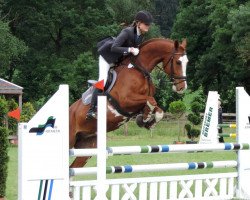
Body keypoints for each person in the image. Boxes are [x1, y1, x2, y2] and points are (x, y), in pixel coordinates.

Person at [86, 10, 153, 119]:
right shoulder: (127, 32)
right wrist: (130, 49)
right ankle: (91, 109)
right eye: (146, 24)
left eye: (148, 25)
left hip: (119, 59)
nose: (148, 27)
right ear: (139, 23)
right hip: (107, 58)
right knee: (102, 81)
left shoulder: (140, 36)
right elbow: (114, 47)